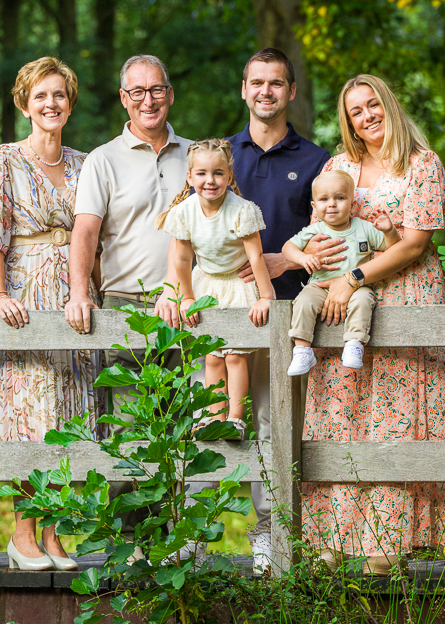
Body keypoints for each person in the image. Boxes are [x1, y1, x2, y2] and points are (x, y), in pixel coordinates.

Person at [300, 74, 445, 575]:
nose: (367, 115)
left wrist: (354, 276)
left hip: (405, 292)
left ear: (389, 105)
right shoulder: (339, 167)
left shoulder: (421, 164)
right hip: (342, 296)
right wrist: (318, 257)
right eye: (356, 110)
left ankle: (392, 537)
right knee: (341, 401)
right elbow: (317, 228)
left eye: (373, 104)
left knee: (399, 409)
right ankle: (332, 536)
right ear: (348, 120)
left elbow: (415, 244)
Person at [0, 57, 103, 572]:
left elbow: (93, 234)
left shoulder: (85, 162)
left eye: (60, 95)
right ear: (24, 102)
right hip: (26, 290)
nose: (51, 104)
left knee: (69, 412)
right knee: (28, 415)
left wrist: (90, 290)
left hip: (74, 292)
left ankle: (55, 534)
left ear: (70, 102)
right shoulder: (4, 158)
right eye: (41, 95)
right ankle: (22, 534)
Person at [65, 54, 192, 555]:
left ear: (169, 94)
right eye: (136, 92)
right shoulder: (104, 158)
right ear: (124, 99)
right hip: (123, 303)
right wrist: (80, 292)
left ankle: (174, 539)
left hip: (186, 304)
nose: (148, 100)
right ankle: (129, 543)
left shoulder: (196, 155)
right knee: (131, 424)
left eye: (156, 89)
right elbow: (86, 232)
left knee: (179, 421)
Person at [225, 47, 336, 573]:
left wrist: (279, 258)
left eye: (276, 83)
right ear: (243, 90)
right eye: (257, 82)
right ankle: (194, 534)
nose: (265, 91)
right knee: (215, 419)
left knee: (276, 423)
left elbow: (330, 243)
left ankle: (272, 536)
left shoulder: (317, 162)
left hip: (290, 315)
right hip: (224, 311)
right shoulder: (221, 157)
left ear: (290, 92)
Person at [159, 138, 274, 435]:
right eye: (201, 173)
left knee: (234, 355)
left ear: (230, 177)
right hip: (206, 285)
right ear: (189, 176)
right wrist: (185, 298)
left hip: (237, 285)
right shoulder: (184, 212)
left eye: (218, 174)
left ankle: (235, 419)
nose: (210, 181)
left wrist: (266, 296)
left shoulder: (241, 210)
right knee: (211, 356)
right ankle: (214, 416)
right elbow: (182, 260)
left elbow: (256, 256)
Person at [283, 170, 400, 375]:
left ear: (353, 205)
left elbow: (393, 249)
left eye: (339, 198)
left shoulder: (364, 228)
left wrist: (389, 231)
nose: (331, 204)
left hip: (356, 287)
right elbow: (287, 248)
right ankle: (302, 349)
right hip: (319, 285)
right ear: (314, 207)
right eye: (324, 199)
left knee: (364, 300)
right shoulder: (314, 230)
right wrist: (302, 257)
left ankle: (354, 344)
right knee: (303, 301)